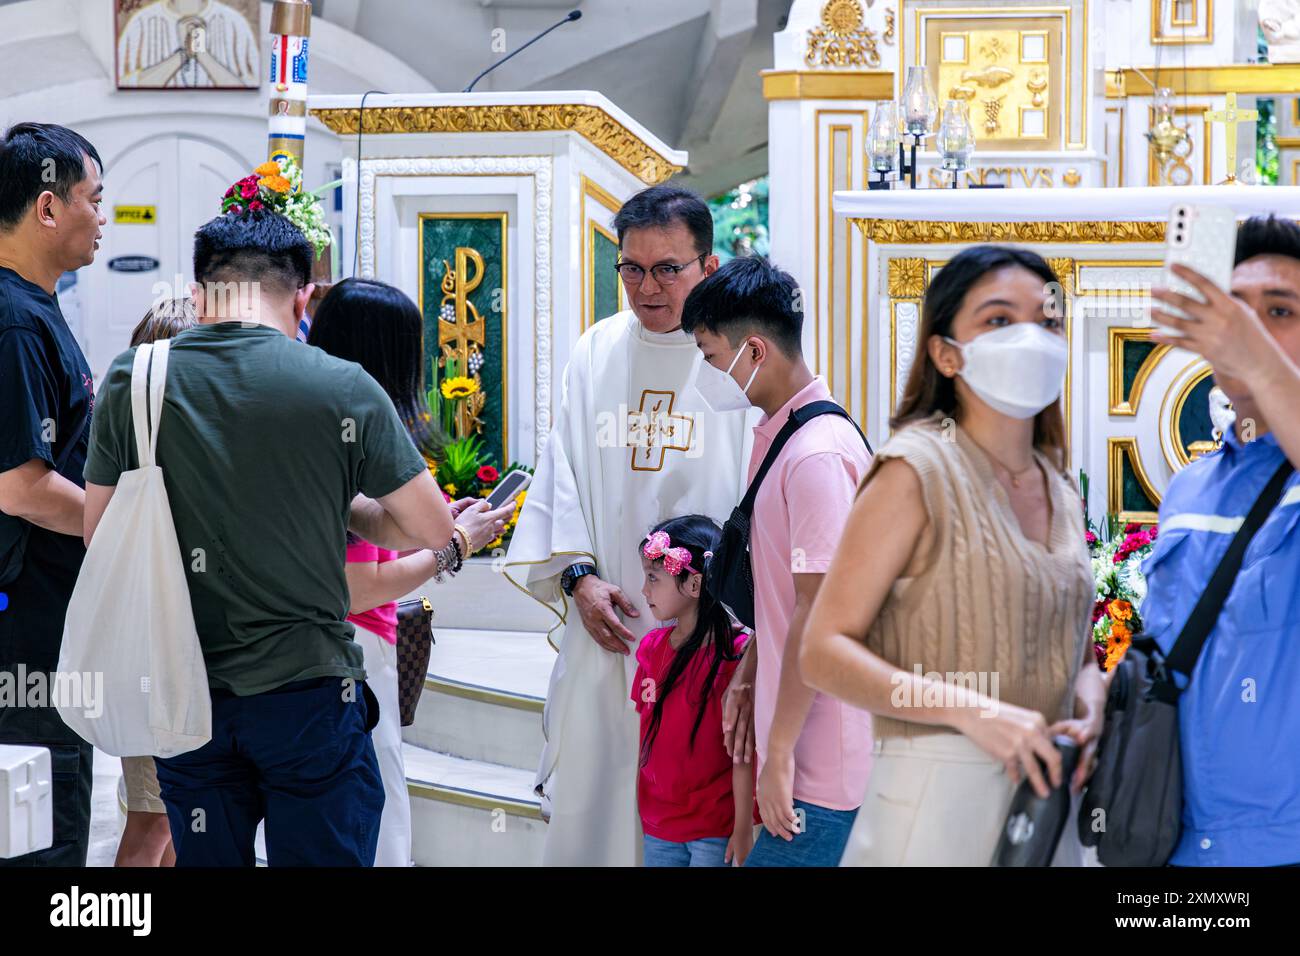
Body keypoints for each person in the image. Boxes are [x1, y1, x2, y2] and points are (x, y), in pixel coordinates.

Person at [82, 210, 507, 867]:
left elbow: (101, 537)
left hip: (183, 691)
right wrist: (401, 523)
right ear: (303, 294)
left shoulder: (133, 380)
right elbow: (428, 527)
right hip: (309, 694)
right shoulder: (341, 386)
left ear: (202, 290)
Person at [799, 245, 1107, 866]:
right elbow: (822, 653)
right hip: (936, 797)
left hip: (1047, 805)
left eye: (1047, 322)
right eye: (998, 320)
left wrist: (1092, 697)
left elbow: (1074, 645)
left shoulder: (1059, 485)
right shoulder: (915, 468)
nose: (1030, 337)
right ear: (945, 352)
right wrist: (975, 711)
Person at [504, 185, 753, 866]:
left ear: (707, 264)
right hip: (607, 625)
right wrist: (579, 580)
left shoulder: (734, 366)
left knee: (691, 808)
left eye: (668, 268)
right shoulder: (596, 352)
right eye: (632, 268)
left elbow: (756, 508)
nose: (648, 287)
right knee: (597, 796)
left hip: (706, 641)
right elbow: (560, 481)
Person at [307, 277, 514, 866]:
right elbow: (352, 584)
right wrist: (452, 547)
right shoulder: (355, 428)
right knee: (377, 802)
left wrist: (436, 525)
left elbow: (372, 526)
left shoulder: (325, 420)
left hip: (350, 643)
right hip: (351, 644)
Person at [680, 256, 874, 866]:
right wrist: (750, 669)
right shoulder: (785, 434)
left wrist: (782, 755)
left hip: (819, 758)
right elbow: (786, 595)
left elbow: (821, 615)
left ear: (754, 351)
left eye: (711, 357)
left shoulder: (815, 455)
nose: (708, 373)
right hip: (797, 735)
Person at [1147, 214, 1300, 866]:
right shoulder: (1188, 489)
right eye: (1235, 311)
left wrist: (1260, 360)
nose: (1251, 330)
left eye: (1281, 310)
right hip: (1178, 846)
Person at [0, 122, 104, 867]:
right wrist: (130, 527)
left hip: (48, 619)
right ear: (47, 207)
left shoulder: (32, 309)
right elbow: (22, 487)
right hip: (28, 629)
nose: (101, 217)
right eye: (93, 199)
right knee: (43, 829)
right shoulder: (14, 322)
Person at [114, 296, 197, 869]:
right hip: (155, 648)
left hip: (156, 643)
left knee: (167, 814)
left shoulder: (130, 430)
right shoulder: (150, 445)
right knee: (153, 816)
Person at [632, 516, 755, 867]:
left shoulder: (738, 657)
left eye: (654, 578)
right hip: (659, 825)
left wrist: (743, 826)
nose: (644, 590)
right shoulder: (652, 650)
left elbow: (743, 751)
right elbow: (647, 737)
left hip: (716, 828)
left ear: (695, 584)